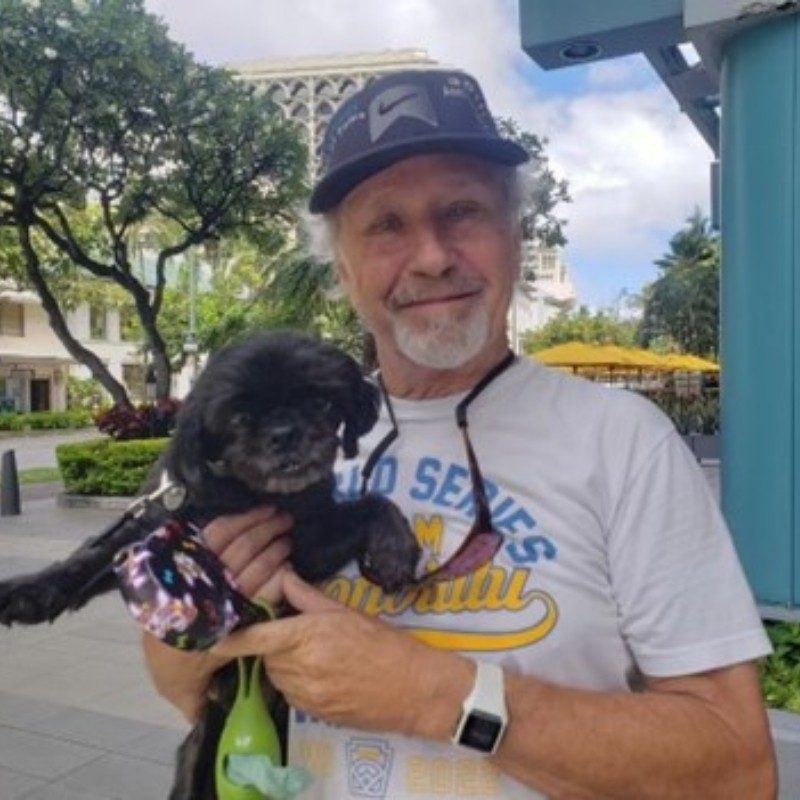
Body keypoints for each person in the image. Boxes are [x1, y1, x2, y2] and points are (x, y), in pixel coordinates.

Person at [143, 69, 777, 798]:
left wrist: (440, 696)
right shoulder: (269, 442)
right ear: (343, 270)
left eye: (463, 211)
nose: (433, 255)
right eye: (386, 224)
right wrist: (189, 624)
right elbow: (181, 683)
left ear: (516, 236)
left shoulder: (624, 441)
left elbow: (738, 769)